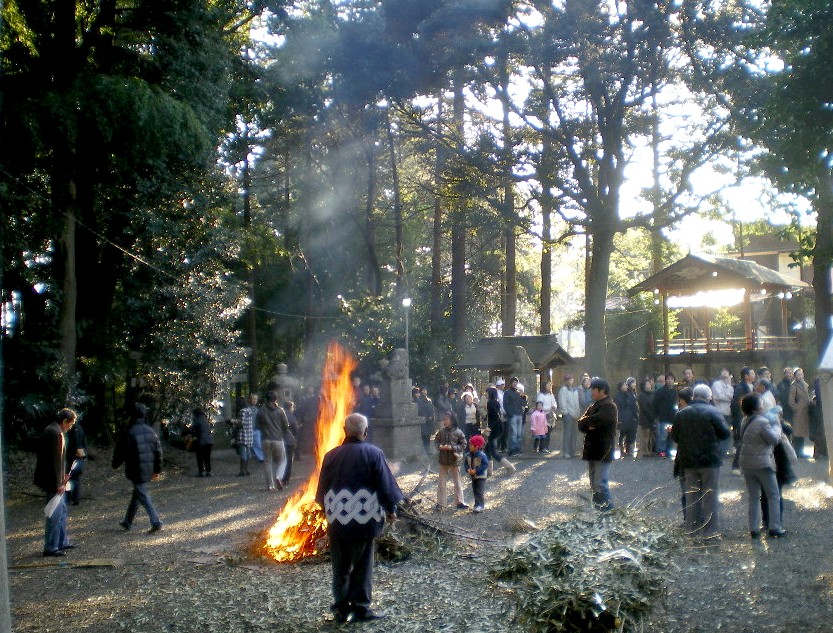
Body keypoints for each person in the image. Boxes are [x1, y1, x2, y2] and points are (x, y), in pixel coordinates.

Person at [315, 413, 403, 623]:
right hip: (364, 520)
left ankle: (341, 609)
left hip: (337, 520)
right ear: (365, 432)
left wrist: (327, 510)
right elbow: (385, 485)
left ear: (344, 431)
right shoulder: (373, 454)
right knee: (362, 565)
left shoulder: (330, 455)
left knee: (340, 566)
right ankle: (361, 608)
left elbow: (321, 492)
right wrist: (391, 509)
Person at [672, 384, 731, 540]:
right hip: (710, 460)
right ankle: (710, 532)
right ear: (709, 397)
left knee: (691, 496)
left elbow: (675, 437)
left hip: (689, 461)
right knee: (710, 496)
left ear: (693, 396)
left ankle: (691, 530)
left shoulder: (682, 413)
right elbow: (725, 433)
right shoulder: (714, 412)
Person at [739, 393, 786, 539]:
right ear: (756, 407)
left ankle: (753, 528)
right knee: (773, 495)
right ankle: (775, 527)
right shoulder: (762, 422)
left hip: (746, 463)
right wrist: (777, 425)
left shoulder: (744, 421)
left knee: (753, 496)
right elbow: (774, 439)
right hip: (763, 463)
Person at [112, 403, 164, 533]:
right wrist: (157, 469)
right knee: (137, 494)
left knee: (142, 494)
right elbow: (158, 451)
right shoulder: (150, 431)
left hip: (135, 468)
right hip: (148, 467)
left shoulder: (129, 431)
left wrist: (115, 464)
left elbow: (121, 451)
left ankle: (155, 521)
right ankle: (127, 521)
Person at [34, 408, 78, 556]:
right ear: (64, 421)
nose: (70, 427)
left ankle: (61, 541)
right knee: (55, 513)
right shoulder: (56, 433)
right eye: (70, 424)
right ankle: (51, 546)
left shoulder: (50, 430)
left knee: (62, 511)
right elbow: (56, 461)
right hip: (53, 479)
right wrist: (60, 482)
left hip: (51, 477)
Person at [577, 378, 618, 511]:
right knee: (594, 486)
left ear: (602, 391)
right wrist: (588, 425)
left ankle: (610, 514)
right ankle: (599, 514)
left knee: (600, 484)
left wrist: (588, 423)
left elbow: (598, 420)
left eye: (593, 390)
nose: (591, 392)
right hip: (593, 450)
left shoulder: (609, 406)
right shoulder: (594, 406)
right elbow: (581, 423)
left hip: (603, 450)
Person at [256, 391, 291, 491]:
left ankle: (270, 486)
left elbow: (257, 425)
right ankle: (278, 476)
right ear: (276, 399)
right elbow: (286, 425)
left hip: (265, 440)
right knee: (282, 460)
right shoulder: (280, 410)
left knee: (267, 462)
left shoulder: (261, 410)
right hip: (278, 439)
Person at [435, 411, 468, 509]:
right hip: (443, 460)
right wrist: (439, 446)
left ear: (452, 420)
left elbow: (464, 445)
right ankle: (441, 503)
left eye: (446, 419)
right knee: (441, 482)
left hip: (455, 460)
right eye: (443, 419)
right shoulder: (441, 432)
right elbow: (436, 442)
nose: (444, 421)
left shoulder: (459, 432)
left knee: (457, 482)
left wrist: (453, 448)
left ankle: (460, 502)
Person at [483, 386, 515, 474]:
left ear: (490, 394)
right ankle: (489, 471)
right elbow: (495, 414)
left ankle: (509, 466)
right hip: (498, 427)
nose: (485, 394)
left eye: (487, 392)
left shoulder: (489, 403)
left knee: (493, 451)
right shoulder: (496, 402)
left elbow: (495, 415)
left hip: (494, 428)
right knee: (487, 450)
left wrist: (490, 427)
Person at [731, 366, 757, 472]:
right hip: (743, 418)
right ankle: (736, 466)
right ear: (746, 376)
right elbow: (738, 404)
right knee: (742, 442)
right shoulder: (740, 388)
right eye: (752, 373)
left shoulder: (753, 386)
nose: (754, 375)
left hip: (751, 417)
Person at [654, 372, 678, 458]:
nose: (670, 381)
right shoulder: (660, 391)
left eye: (672, 379)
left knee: (671, 436)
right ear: (665, 380)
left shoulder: (675, 391)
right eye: (668, 379)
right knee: (663, 436)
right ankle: (661, 451)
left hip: (672, 417)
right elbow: (655, 404)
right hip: (663, 417)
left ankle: (669, 451)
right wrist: (657, 415)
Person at [64, 416, 87, 505]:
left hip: (72, 454)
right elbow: (83, 443)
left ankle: (69, 497)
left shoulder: (71, 429)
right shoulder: (80, 428)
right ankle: (75, 498)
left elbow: (70, 444)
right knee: (76, 477)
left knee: (69, 476)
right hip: (80, 453)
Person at [711, 368, 734, 457]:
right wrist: (728, 396)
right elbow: (719, 396)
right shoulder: (716, 384)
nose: (725, 375)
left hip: (728, 413)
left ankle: (724, 452)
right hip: (719, 412)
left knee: (727, 433)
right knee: (720, 433)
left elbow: (732, 397)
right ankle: (718, 452)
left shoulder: (730, 386)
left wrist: (727, 395)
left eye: (727, 374)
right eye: (723, 374)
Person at [788, 367, 811, 457]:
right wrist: (796, 408)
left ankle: (801, 451)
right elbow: (791, 400)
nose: (800, 376)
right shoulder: (794, 386)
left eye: (801, 374)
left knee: (803, 432)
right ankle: (798, 451)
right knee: (798, 433)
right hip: (798, 412)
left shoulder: (805, 384)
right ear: (795, 376)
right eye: (798, 375)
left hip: (805, 411)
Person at [558, 374, 581, 459]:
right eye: (567, 380)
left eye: (570, 379)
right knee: (567, 434)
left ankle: (573, 451)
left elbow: (577, 402)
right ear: (565, 381)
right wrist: (565, 412)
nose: (569, 381)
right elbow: (562, 402)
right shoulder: (563, 390)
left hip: (575, 414)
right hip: (568, 415)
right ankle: (566, 452)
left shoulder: (575, 390)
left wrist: (577, 413)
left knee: (574, 433)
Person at [614, 378, 639, 459]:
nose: (626, 386)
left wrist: (635, 416)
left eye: (626, 385)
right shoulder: (617, 396)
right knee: (621, 435)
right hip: (621, 418)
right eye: (624, 385)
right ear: (620, 387)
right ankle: (621, 450)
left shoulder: (629, 395)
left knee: (630, 434)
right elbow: (617, 408)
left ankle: (628, 450)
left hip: (630, 417)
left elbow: (633, 406)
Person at [187, 407, 214, 477]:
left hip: (201, 441)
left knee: (200, 457)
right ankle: (208, 471)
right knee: (207, 457)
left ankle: (201, 472)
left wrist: (187, 431)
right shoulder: (205, 419)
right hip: (209, 441)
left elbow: (193, 429)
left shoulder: (197, 419)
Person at [465, 434, 489, 513]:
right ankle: (476, 504)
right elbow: (465, 464)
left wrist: (477, 470)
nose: (469, 446)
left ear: (476, 446)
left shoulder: (482, 455)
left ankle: (481, 506)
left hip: (481, 476)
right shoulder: (468, 455)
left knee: (479, 491)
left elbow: (485, 465)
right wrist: (468, 470)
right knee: (475, 490)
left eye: (471, 445)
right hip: (473, 476)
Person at [503, 377, 525, 456]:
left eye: (516, 382)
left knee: (519, 434)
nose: (515, 383)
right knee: (513, 433)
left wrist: (523, 399)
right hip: (512, 415)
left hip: (519, 414)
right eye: (513, 382)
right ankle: (512, 450)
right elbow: (505, 404)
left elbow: (522, 403)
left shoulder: (518, 393)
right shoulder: (507, 392)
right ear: (511, 383)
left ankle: (518, 449)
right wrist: (510, 414)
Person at [636, 376, 657, 458]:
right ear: (644, 386)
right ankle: (645, 451)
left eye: (649, 384)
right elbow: (644, 407)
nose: (649, 385)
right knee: (646, 435)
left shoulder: (653, 394)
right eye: (647, 384)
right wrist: (651, 416)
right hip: (645, 418)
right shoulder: (641, 395)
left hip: (652, 417)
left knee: (651, 435)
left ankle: (650, 450)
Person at [236, 394, 256, 476]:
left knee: (243, 454)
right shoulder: (249, 411)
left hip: (243, 434)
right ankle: (246, 469)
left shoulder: (242, 412)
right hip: (249, 435)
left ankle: (242, 471)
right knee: (248, 453)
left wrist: (233, 422)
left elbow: (241, 423)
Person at [536, 381, 558, 454]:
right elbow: (539, 406)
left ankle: (546, 447)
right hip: (543, 415)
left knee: (549, 432)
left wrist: (554, 406)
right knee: (544, 432)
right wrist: (549, 408)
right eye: (548, 385)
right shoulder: (541, 396)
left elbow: (554, 402)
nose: (549, 387)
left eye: (550, 385)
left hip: (550, 416)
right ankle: (542, 448)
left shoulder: (551, 395)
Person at [281, 400, 300, 486]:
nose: (293, 409)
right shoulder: (290, 416)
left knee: (280, 460)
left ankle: (279, 477)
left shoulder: (280, 414)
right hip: (289, 441)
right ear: (289, 407)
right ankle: (285, 479)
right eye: (292, 407)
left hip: (280, 440)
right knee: (288, 461)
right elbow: (295, 429)